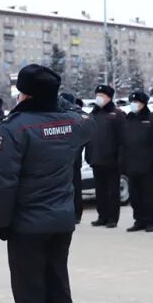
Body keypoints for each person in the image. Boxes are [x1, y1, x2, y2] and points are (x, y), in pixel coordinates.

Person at [0, 64, 94, 303]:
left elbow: (3, 182)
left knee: (30, 295)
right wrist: (55, 103)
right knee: (58, 290)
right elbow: (86, 117)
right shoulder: (73, 123)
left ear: (25, 93)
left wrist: (1, 222)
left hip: (27, 225)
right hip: (61, 221)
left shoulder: (15, 128)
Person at [120, 91, 153, 232]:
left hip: (147, 164)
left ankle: (150, 222)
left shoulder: (152, 118)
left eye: (136, 102)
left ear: (143, 104)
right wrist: (122, 161)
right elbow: (123, 142)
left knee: (148, 196)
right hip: (131, 164)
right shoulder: (128, 119)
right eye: (132, 102)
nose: (133, 104)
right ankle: (139, 220)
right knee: (135, 195)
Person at [86, 84, 126, 228]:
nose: (99, 98)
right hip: (97, 158)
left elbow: (123, 139)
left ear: (109, 98)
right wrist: (89, 155)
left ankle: (112, 218)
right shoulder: (94, 114)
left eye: (102, 96)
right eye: (98, 95)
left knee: (112, 191)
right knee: (100, 190)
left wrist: (120, 157)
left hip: (112, 160)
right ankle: (102, 216)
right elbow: (89, 137)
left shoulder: (117, 115)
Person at [59, 93, 87, 224]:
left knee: (75, 187)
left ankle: (76, 213)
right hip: (61, 159)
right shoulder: (59, 117)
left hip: (73, 158)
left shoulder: (76, 118)